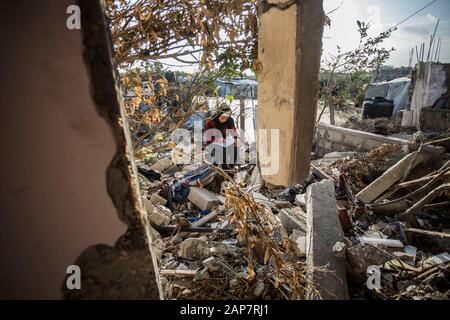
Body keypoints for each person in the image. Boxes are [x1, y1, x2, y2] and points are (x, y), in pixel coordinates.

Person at [203, 104, 240, 170]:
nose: (224, 120)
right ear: (219, 115)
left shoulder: (230, 121)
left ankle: (231, 167)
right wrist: (216, 139)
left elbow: (233, 132)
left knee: (235, 148)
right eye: (222, 118)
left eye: (226, 118)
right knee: (222, 150)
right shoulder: (211, 122)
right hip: (212, 142)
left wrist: (236, 139)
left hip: (224, 141)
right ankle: (224, 169)